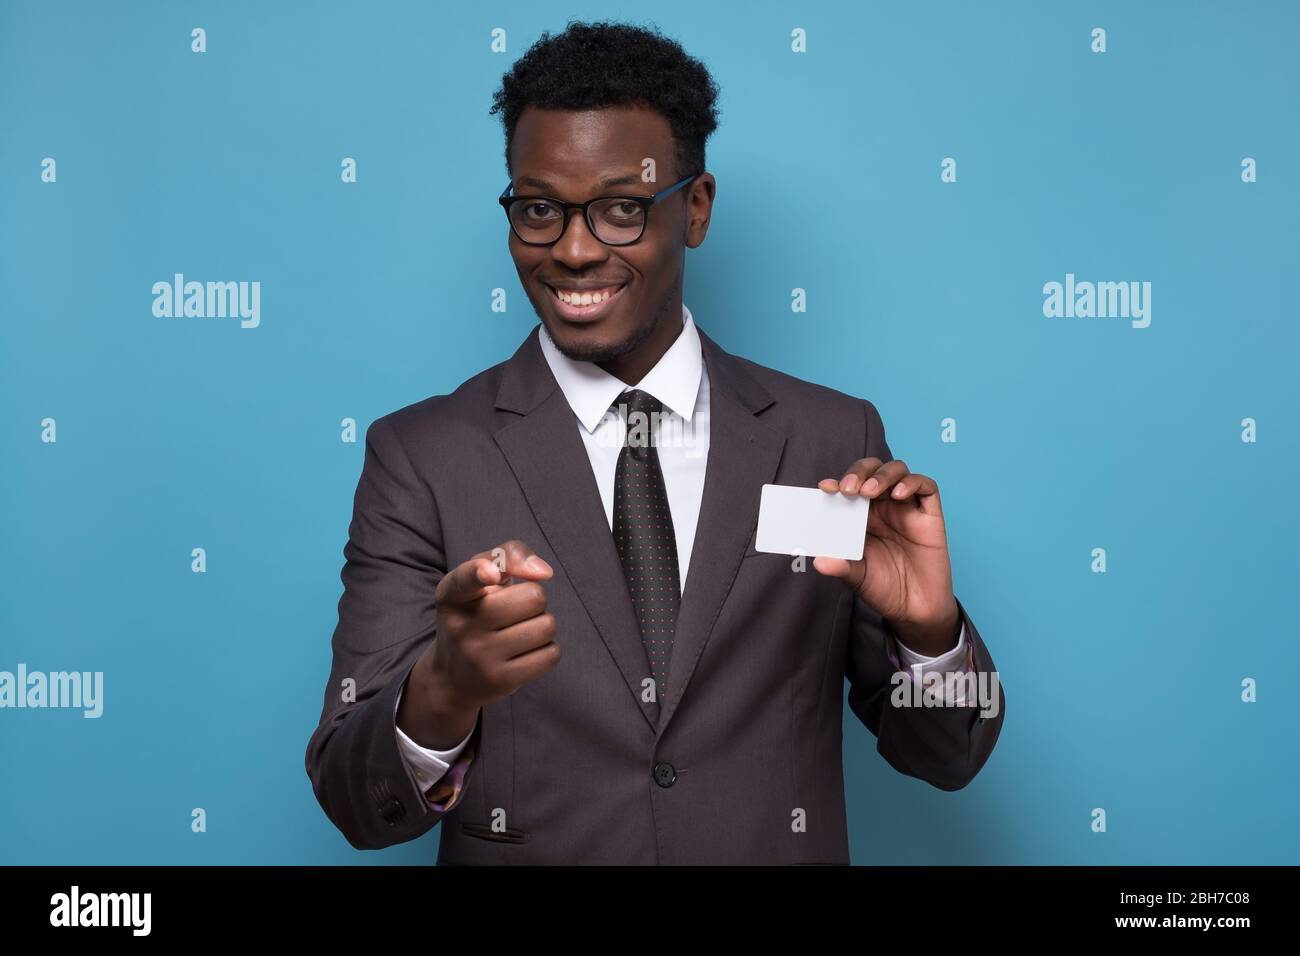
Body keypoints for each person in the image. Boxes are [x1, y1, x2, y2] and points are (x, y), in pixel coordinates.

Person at [305, 19, 1004, 864]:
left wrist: (928, 634)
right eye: (538, 210)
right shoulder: (423, 457)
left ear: (696, 208)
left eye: (619, 210)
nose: (570, 249)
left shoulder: (827, 437)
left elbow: (947, 755)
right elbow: (355, 799)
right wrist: (444, 692)